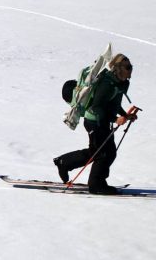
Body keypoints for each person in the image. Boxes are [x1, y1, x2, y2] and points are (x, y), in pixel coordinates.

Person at [53, 54, 137, 195]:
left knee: (98, 152)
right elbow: (98, 106)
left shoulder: (120, 82)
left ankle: (64, 162)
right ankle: (96, 185)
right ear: (118, 68)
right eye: (128, 67)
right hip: (94, 121)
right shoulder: (106, 84)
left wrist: (124, 115)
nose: (131, 70)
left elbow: (113, 104)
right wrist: (116, 120)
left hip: (101, 120)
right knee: (104, 153)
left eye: (131, 67)